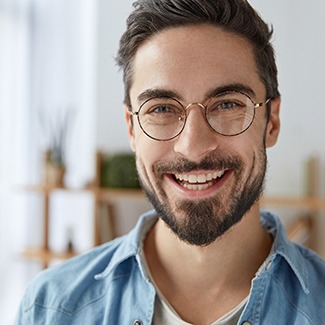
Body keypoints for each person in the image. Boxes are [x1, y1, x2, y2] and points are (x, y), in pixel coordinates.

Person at [16, 0, 325, 324]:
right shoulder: (50, 308)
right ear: (132, 128)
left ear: (271, 121)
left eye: (228, 104)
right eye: (162, 108)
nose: (193, 147)